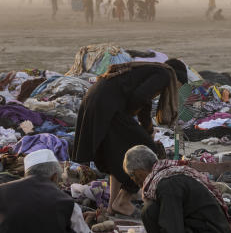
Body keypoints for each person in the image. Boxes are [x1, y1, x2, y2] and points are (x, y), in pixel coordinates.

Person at [72, 59, 186, 216]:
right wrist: (141, 128)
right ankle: (123, 200)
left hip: (96, 100)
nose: (176, 90)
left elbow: (143, 100)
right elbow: (140, 98)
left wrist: (146, 128)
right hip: (108, 105)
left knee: (117, 154)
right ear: (177, 79)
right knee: (147, 150)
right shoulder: (165, 74)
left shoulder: (150, 70)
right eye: (179, 86)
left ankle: (113, 205)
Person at [123, 146, 231, 233]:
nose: (136, 182)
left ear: (139, 172)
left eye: (133, 177)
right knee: (154, 210)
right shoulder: (169, 174)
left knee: (149, 211)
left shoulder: (167, 184)